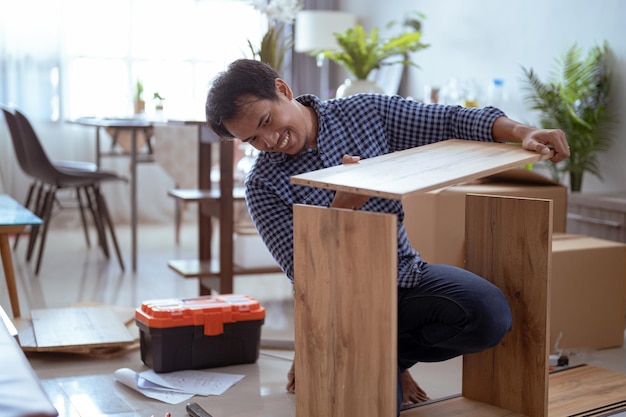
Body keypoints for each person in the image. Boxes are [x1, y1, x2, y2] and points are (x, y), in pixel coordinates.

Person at [205, 59, 569, 413]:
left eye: (267, 121)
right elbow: (306, 272)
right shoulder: (263, 185)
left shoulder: (365, 113)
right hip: (343, 308)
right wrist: (342, 207)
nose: (269, 140)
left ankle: (391, 357)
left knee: (489, 315)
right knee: (375, 405)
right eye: (253, 139)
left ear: (282, 90)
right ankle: (353, 356)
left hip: (404, 277)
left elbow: (451, 120)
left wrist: (524, 133)